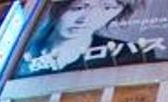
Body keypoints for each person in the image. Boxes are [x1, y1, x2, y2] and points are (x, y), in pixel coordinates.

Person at [18, 0, 153, 76]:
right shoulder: (17, 50)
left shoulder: (131, 55)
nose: (86, 19)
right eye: (79, 7)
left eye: (108, 8)